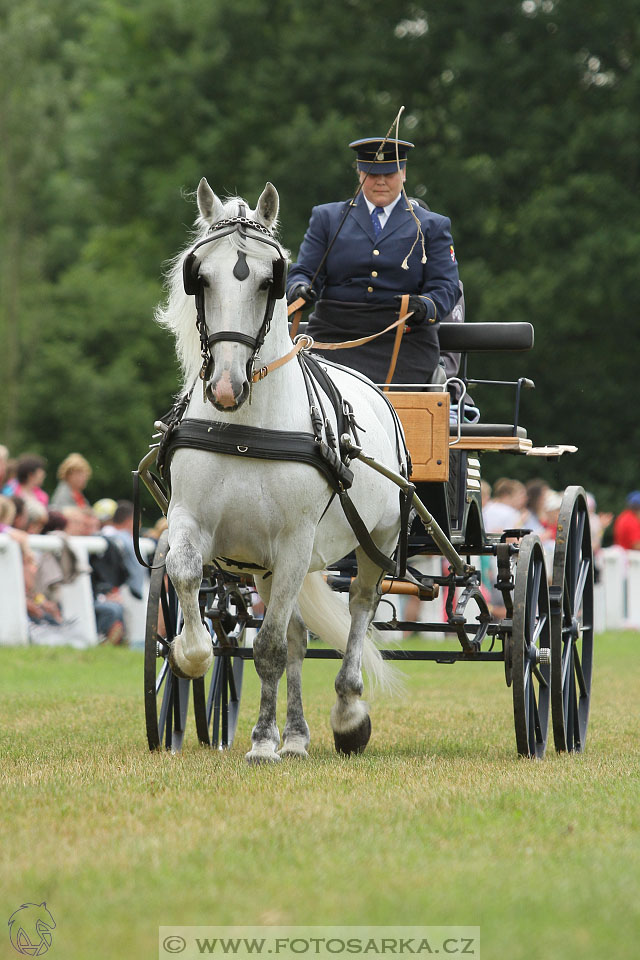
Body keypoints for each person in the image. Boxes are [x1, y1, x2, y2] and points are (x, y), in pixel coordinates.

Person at [287, 136, 460, 385]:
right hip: (332, 338)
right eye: (371, 173)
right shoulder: (327, 218)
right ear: (359, 173)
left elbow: (446, 286)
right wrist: (299, 289)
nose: (380, 181)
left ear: (403, 173)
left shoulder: (433, 225)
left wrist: (425, 306)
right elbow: (303, 271)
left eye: (389, 174)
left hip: (403, 343)